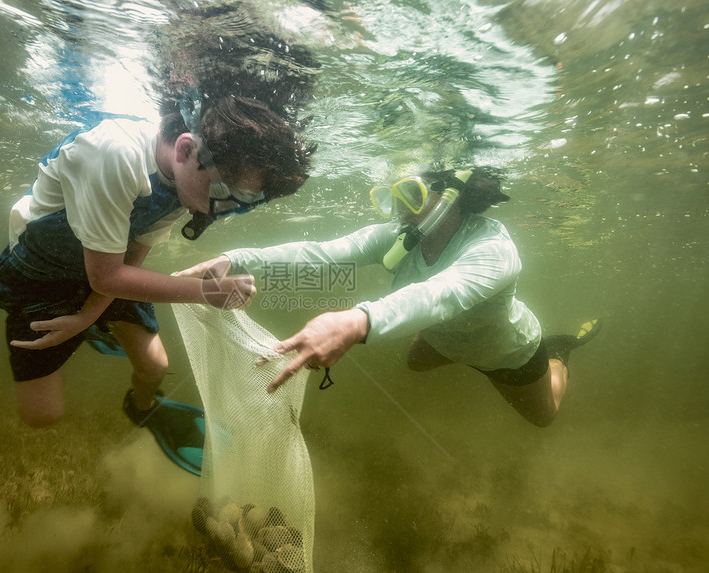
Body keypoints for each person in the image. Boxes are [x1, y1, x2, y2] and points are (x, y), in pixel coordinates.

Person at [0, 93, 314, 429]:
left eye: (244, 202)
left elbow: (127, 261)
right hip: (41, 273)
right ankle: (98, 332)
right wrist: (208, 292)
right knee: (43, 415)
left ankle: (141, 409)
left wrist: (87, 315)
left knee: (155, 366)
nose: (224, 211)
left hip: (105, 269)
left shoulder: (181, 177)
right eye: (224, 193)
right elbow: (107, 277)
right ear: (186, 149)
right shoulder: (116, 154)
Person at [181, 167, 600, 427]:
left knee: (545, 417)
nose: (402, 208)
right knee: (415, 364)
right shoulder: (403, 236)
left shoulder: (493, 249)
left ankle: (560, 354)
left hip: (506, 353)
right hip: (445, 337)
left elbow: (441, 295)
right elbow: (324, 253)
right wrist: (234, 257)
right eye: (394, 196)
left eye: (412, 194)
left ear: (451, 196)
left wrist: (355, 321)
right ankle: (457, 352)